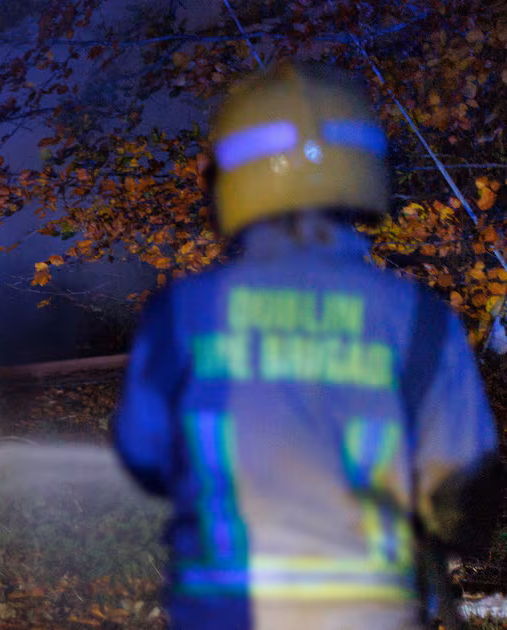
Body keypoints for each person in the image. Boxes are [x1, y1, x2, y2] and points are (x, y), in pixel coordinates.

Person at [112, 61, 502, 629]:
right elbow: (463, 506)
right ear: (369, 167)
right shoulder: (420, 320)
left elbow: (144, 456)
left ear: (227, 180)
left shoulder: (183, 314)